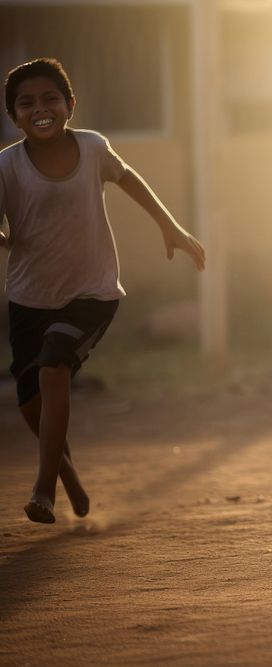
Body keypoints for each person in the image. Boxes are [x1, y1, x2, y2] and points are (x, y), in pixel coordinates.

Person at [0, 58, 206, 524]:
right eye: (26, 103)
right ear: (14, 116)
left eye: (50, 98)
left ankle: (42, 489)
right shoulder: (6, 167)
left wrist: (169, 227)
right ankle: (67, 474)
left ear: (70, 104)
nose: (40, 108)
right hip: (29, 295)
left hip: (93, 292)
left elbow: (127, 176)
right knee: (30, 401)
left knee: (54, 368)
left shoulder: (93, 149)